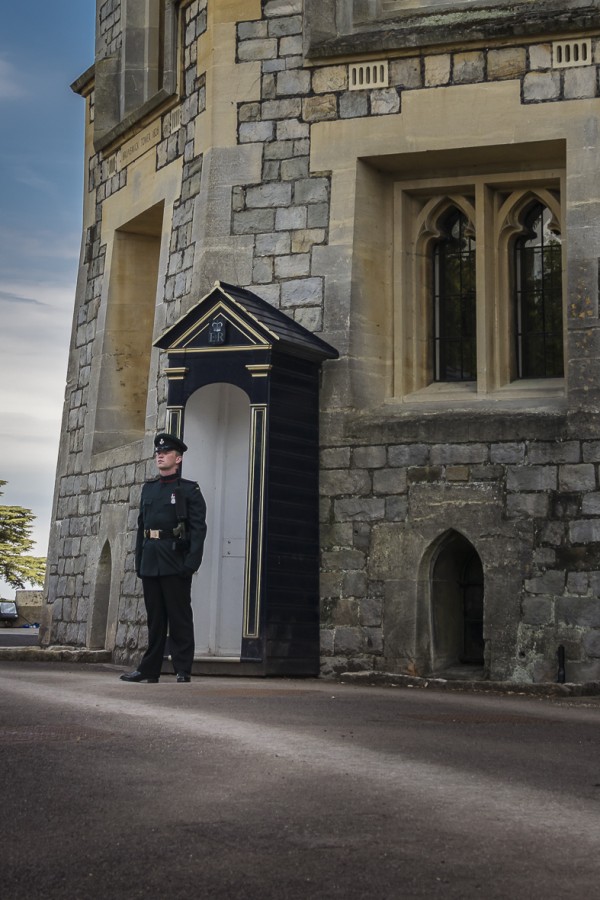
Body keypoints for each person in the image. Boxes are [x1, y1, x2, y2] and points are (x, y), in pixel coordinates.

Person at [120, 433, 207, 684]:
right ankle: (150, 670)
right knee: (155, 619)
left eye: (166, 453)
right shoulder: (149, 489)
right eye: (158, 452)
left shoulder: (189, 490)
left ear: (178, 459)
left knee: (179, 616)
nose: (160, 455)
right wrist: (139, 560)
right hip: (151, 560)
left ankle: (182, 668)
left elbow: (199, 529)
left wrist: (191, 563)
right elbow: (141, 528)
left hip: (175, 560)